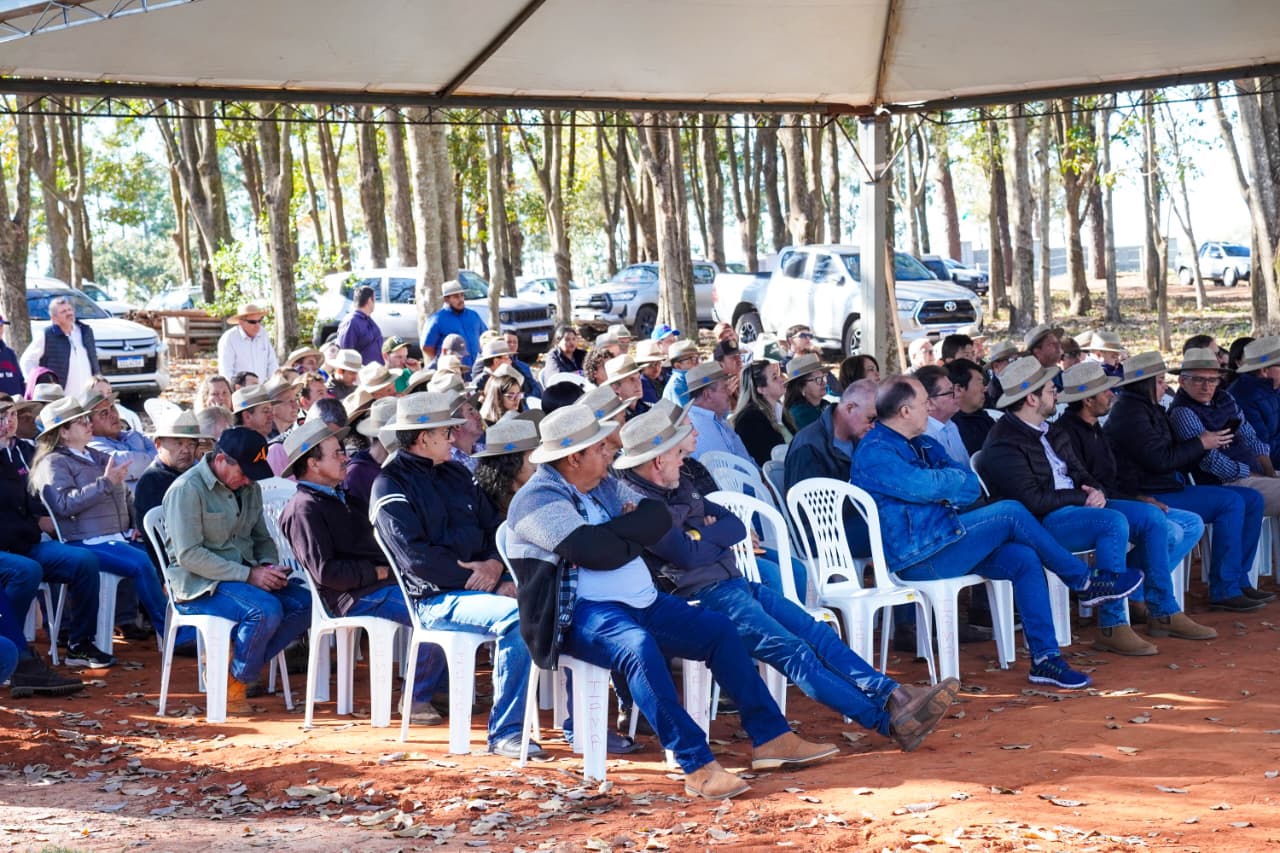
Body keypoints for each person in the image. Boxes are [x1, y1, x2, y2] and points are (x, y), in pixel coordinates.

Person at [506, 403, 838, 799]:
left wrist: (616, 534)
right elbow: (592, 551)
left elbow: (656, 517)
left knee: (717, 630)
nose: (609, 452)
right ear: (574, 457)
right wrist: (627, 533)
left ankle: (771, 737)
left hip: (644, 603)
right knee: (638, 647)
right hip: (579, 615)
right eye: (600, 448)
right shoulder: (537, 499)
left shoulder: (604, 483)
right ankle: (696, 765)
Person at [617, 409, 958, 751]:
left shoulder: (679, 484)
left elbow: (733, 525)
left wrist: (701, 535)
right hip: (703, 597)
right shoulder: (640, 505)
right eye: (677, 453)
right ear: (658, 461)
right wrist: (706, 534)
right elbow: (687, 556)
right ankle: (887, 723)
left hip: (732, 582)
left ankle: (894, 693)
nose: (685, 457)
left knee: (816, 633)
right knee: (795, 652)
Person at [852, 375, 1142, 689]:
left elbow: (968, 484)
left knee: (1023, 558)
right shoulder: (876, 452)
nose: (930, 407)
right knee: (1011, 511)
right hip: (917, 557)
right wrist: (942, 485)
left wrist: (941, 486)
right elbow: (925, 486)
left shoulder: (923, 443)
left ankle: (1045, 659)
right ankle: (1082, 581)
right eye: (925, 403)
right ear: (905, 411)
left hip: (949, 539)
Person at [370, 393, 534, 758]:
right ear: (423, 437)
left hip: (478, 588)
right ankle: (507, 732)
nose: (453, 434)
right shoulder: (389, 484)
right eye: (446, 430)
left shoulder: (457, 473)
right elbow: (416, 560)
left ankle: (570, 722)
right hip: (434, 598)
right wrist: (484, 579)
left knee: (549, 603)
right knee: (518, 618)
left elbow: (496, 528)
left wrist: (495, 564)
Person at [279, 418, 446, 726]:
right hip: (351, 596)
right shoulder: (304, 509)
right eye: (336, 453)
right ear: (313, 464)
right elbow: (326, 572)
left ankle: (439, 689)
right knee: (433, 614)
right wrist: (380, 573)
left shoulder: (343, 497)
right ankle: (417, 698)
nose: (345, 457)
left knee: (445, 598)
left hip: (376, 585)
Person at [1052, 360, 1214, 646]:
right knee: (1162, 525)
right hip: (1091, 507)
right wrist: (1136, 501)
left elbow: (1113, 479)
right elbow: (1087, 484)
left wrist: (1138, 498)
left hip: (1116, 498)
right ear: (1088, 400)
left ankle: (1138, 595)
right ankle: (1149, 610)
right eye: (1105, 392)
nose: (1113, 395)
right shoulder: (1066, 432)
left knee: (1190, 524)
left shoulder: (1094, 428)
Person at [162, 427, 311, 713]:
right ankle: (235, 682)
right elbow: (189, 555)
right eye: (244, 472)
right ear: (221, 460)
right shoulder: (186, 490)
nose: (247, 480)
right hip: (198, 584)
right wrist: (250, 575)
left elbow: (261, 538)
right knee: (265, 610)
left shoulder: (249, 486)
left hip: (241, 577)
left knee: (304, 604)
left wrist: (268, 567)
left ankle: (233, 672)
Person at [1105, 351, 1268, 612]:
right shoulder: (1131, 414)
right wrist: (1202, 443)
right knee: (1232, 502)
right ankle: (1225, 588)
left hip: (1166, 486)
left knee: (1251, 498)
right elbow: (1159, 460)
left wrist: (1200, 444)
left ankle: (1238, 579)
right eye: (1159, 381)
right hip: (1148, 491)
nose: (1164, 386)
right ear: (1144, 384)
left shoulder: (1147, 409)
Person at [30, 396, 169, 652]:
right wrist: (105, 484)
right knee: (141, 563)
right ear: (63, 433)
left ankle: (172, 628)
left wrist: (134, 523)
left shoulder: (94, 454)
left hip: (116, 536)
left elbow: (125, 494)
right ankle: (172, 634)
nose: (88, 423)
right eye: (80, 421)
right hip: (84, 541)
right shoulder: (53, 462)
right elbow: (63, 505)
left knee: (162, 555)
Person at [0, 394, 108, 669]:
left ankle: (79, 645)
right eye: (0, 417)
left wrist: (43, 518)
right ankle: (12, 650)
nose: (8, 422)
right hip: (6, 550)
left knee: (84, 560)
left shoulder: (25, 452)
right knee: (26, 571)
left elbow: (39, 499)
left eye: (11, 415)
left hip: (28, 544)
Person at [1168, 347, 1280, 516]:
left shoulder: (1225, 398)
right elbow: (1212, 462)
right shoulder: (1183, 411)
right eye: (1198, 380)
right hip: (1224, 483)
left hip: (1253, 474)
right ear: (1182, 381)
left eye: (1213, 380)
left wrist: (1269, 473)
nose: (1207, 386)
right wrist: (1256, 475)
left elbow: (1251, 437)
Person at [134, 409, 209, 563]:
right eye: (178, 443)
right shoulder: (152, 481)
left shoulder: (194, 473)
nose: (186, 450)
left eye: (191, 443)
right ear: (158, 444)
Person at [85, 384, 157, 493]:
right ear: (90, 424)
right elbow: (127, 465)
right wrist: (159, 460)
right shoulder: (93, 447)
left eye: (112, 408)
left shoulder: (133, 435)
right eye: (104, 413)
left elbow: (162, 452)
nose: (113, 415)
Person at [20, 295, 96, 395]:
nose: (69, 313)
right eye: (63, 311)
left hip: (87, 395)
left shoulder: (85, 331)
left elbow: (94, 361)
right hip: (61, 398)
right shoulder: (46, 335)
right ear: (54, 318)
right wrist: (40, 383)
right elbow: (26, 361)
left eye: (69, 309)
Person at [1226, 337, 1280, 467]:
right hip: (1262, 467)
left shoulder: (1273, 387)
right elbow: (1262, 449)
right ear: (1264, 371)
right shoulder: (1244, 397)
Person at [684, 360, 753, 462]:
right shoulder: (699, 426)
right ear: (708, 395)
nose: (729, 393)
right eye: (725, 388)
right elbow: (727, 470)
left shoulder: (713, 418)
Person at [473, 418, 538, 517]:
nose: (539, 464)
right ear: (511, 462)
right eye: (532, 456)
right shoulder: (488, 506)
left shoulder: (538, 491)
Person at [730, 359, 790, 466]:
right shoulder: (750, 420)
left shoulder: (778, 410)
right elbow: (767, 463)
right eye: (775, 378)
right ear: (761, 389)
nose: (781, 380)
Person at [422, 281, 486, 369]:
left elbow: (485, 337)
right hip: (454, 369)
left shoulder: (473, 315)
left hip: (476, 368)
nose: (461, 299)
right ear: (446, 299)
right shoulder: (437, 319)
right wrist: (443, 361)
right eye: (456, 296)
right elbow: (427, 347)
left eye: (462, 295)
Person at [917, 365, 968, 465]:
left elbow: (966, 466)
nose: (957, 395)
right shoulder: (925, 436)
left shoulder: (950, 423)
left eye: (954, 389)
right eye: (950, 392)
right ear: (929, 403)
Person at [216, 303, 278, 382]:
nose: (257, 325)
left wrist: (275, 384)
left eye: (259, 321)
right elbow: (225, 371)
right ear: (241, 322)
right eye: (252, 322)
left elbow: (272, 363)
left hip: (261, 388)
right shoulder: (229, 338)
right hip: (240, 391)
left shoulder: (263, 334)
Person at [947, 358, 996, 456]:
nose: (984, 389)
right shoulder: (952, 428)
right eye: (979, 382)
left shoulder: (982, 416)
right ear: (959, 389)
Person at [336, 285, 384, 365]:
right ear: (369, 300)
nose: (375, 303)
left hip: (375, 372)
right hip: (362, 373)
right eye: (374, 300)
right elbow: (345, 352)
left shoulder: (368, 319)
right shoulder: (351, 322)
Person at [782, 353, 829, 433]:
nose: (824, 383)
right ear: (801, 387)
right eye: (818, 379)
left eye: (823, 377)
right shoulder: (800, 414)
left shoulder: (823, 404)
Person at [602, 354, 649, 420]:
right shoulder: (611, 417)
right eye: (631, 379)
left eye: (638, 377)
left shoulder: (650, 408)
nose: (638, 383)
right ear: (616, 387)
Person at [661, 340, 701, 407]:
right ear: (678, 366)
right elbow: (688, 414)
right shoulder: (676, 387)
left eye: (698, 358)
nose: (698, 363)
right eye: (693, 359)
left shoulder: (689, 379)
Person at [983, 340, 1019, 408]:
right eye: (1011, 361)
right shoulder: (994, 392)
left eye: (1017, 359)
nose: (1017, 364)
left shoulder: (1013, 382)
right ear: (996, 366)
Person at [0, 313, 24, 395]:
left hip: (15, 405)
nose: (0, 330)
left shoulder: (10, 353)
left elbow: (20, 380)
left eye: (1, 326)